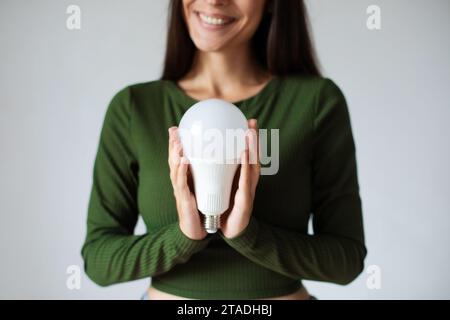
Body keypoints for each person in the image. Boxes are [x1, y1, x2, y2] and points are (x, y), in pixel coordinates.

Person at [82, 0, 367, 300]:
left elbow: (346, 262)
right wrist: (182, 237)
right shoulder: (134, 108)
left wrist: (249, 235)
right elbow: (98, 262)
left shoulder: (315, 102)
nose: (215, 0)